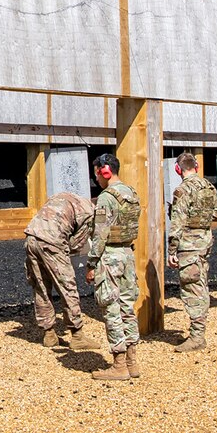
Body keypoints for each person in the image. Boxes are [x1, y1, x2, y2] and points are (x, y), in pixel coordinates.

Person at [88, 153, 146, 381]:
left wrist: (91, 263)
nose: (97, 180)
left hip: (110, 256)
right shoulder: (131, 192)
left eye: (97, 174)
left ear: (104, 171)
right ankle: (132, 362)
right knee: (126, 307)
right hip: (127, 255)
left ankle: (119, 364)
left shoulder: (106, 198)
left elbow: (100, 234)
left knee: (111, 308)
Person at [25, 188, 95, 349]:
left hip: (31, 237)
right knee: (67, 288)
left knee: (41, 287)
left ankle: (49, 334)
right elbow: (76, 244)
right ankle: (77, 335)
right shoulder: (89, 212)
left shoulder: (63, 197)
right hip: (52, 242)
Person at [168, 151, 217, 347]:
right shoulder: (209, 186)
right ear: (196, 167)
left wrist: (172, 250)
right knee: (201, 284)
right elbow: (216, 215)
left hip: (189, 245)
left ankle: (197, 337)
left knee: (192, 288)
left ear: (177, 169)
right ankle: (198, 333)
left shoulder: (183, 190)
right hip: (204, 241)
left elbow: (177, 224)